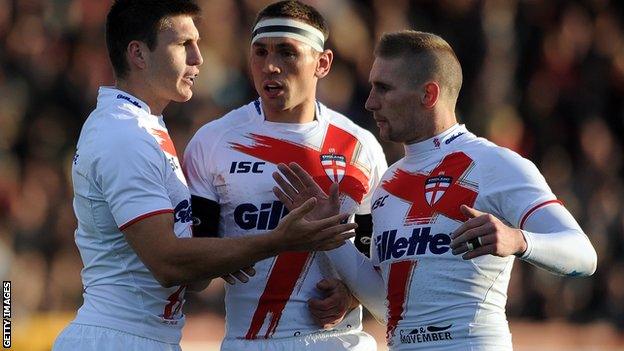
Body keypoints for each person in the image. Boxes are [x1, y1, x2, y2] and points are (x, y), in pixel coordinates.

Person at [52, 1, 357, 350]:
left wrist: (231, 249)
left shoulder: (144, 127)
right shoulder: (124, 135)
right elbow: (166, 261)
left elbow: (193, 276)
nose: (198, 58)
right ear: (138, 53)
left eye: (197, 44)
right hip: (118, 337)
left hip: (144, 336)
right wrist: (278, 240)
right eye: (184, 45)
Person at [275, 30, 598, 350]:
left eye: (383, 88)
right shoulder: (388, 183)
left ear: (429, 94)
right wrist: (330, 232)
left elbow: (583, 256)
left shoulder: (495, 163)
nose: (370, 102)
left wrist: (519, 240)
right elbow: (388, 307)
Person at [182, 1, 388, 350]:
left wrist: (351, 297)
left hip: (338, 342)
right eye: (259, 52)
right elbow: (193, 273)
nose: (270, 66)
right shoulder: (212, 142)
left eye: (287, 53)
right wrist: (227, 254)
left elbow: (383, 276)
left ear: (322, 63)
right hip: (248, 343)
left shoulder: (360, 148)